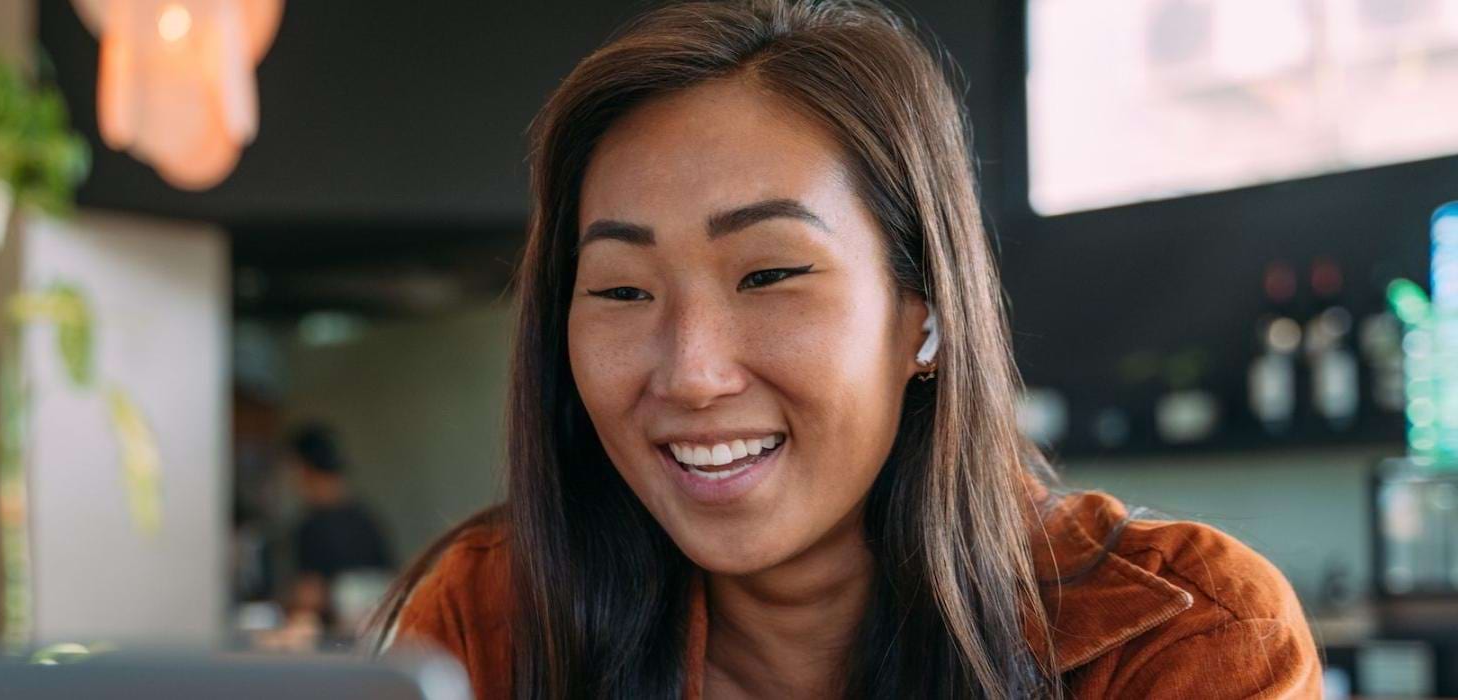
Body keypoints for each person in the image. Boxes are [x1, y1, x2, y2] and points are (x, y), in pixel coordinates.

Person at [373, 1, 1319, 698]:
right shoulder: (490, 620)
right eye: (623, 291)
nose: (693, 373)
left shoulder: (1184, 638)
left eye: (771, 275)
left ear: (927, 314)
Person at [281, 424, 393, 642]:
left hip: (333, 646)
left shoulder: (312, 526)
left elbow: (309, 596)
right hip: (374, 644)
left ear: (303, 468)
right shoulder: (368, 519)